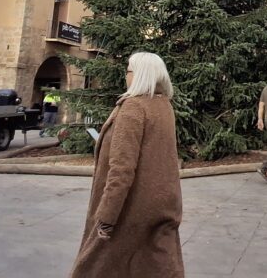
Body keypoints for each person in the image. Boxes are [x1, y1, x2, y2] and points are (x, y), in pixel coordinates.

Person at [71, 52, 183, 278]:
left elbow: (122, 169)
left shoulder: (133, 108)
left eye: (128, 71)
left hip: (130, 210)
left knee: (95, 266)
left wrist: (106, 217)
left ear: (140, 75)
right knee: (158, 267)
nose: (126, 76)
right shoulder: (163, 106)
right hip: (161, 204)